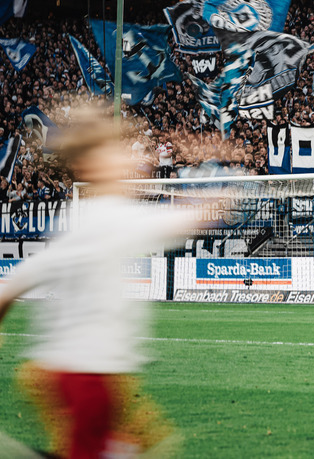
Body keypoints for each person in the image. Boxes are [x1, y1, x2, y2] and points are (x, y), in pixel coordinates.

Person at [0, 111, 200, 458]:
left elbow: (11, 287)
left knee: (133, 447)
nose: (124, 159)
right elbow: (193, 217)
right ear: (93, 165)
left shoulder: (76, 226)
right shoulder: (111, 217)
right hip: (88, 373)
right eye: (114, 153)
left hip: (73, 372)